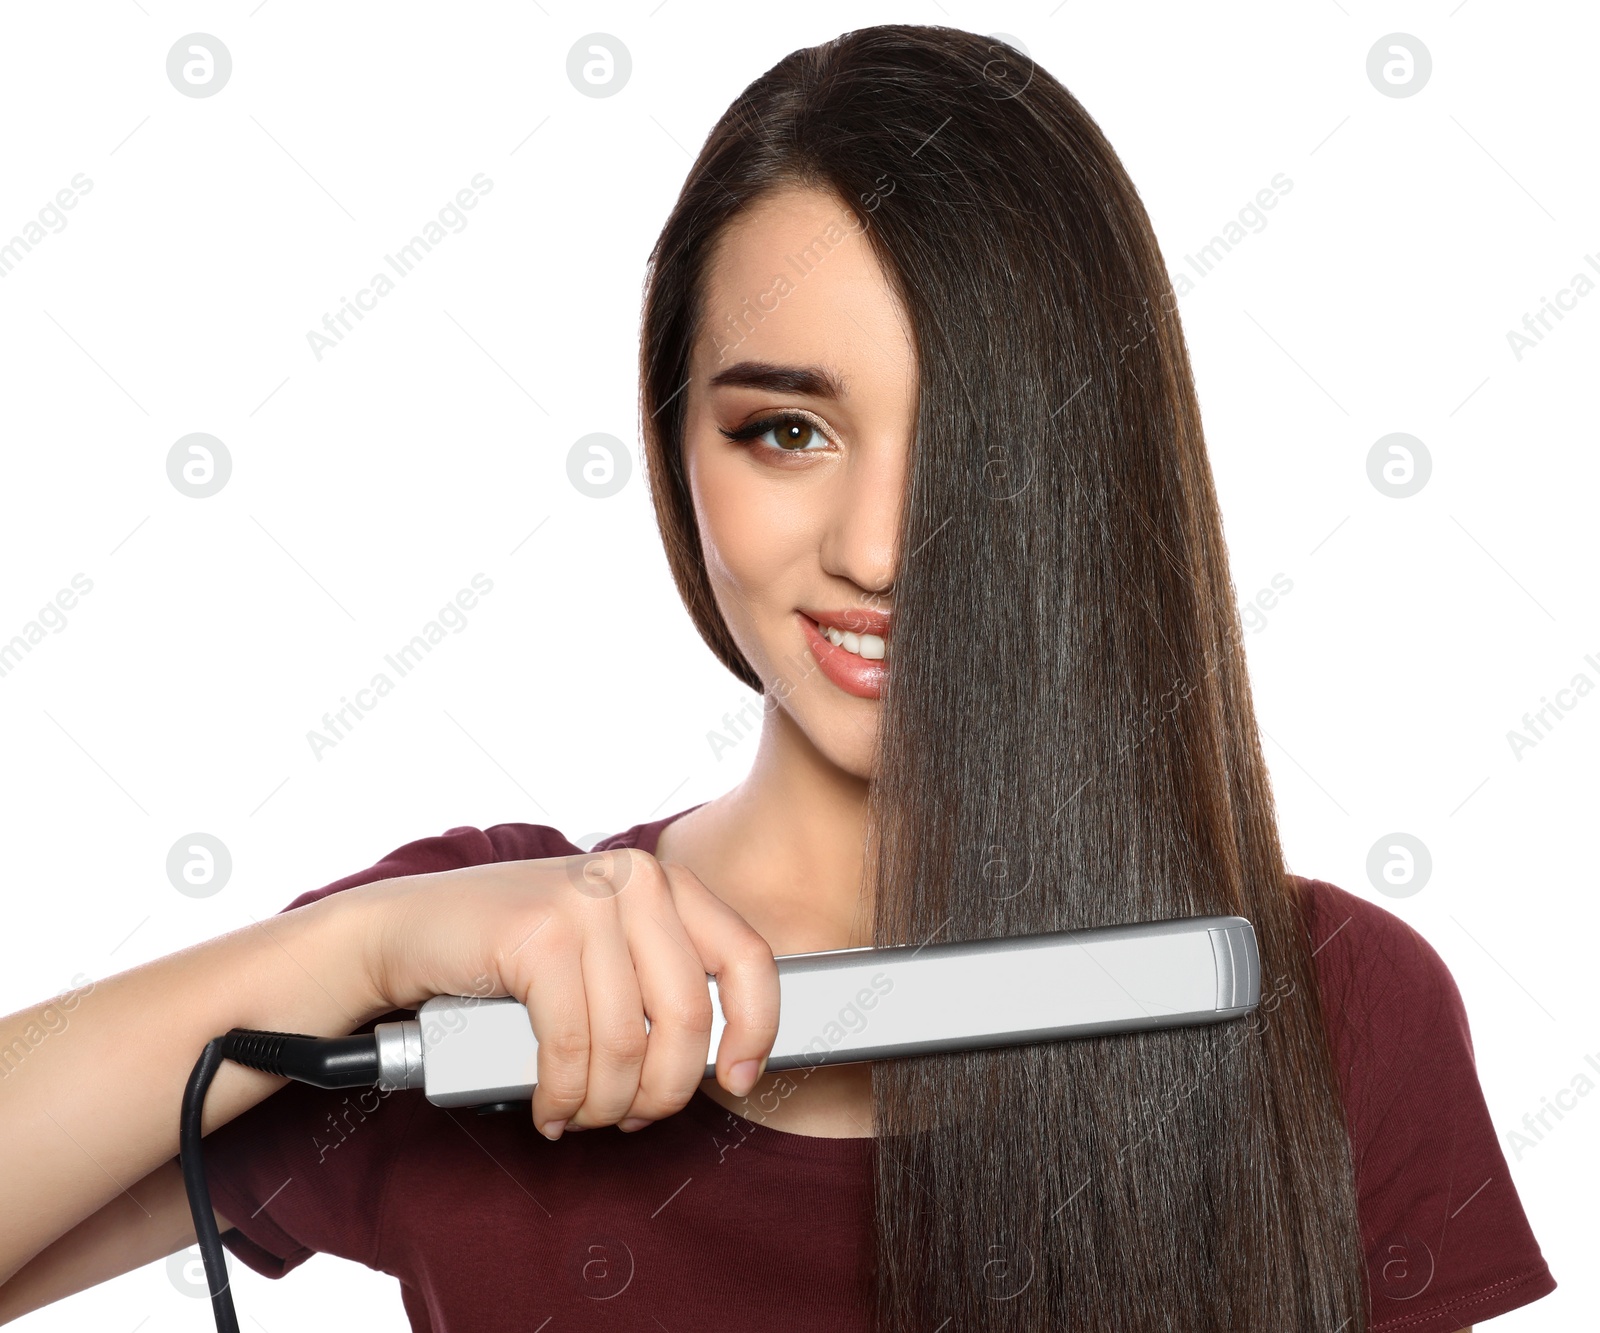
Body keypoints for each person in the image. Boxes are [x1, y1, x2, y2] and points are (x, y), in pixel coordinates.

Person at [0, 24, 1556, 1333]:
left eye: (971, 445)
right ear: (680, 450)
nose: (880, 547)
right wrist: (350, 949)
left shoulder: (1332, 1011)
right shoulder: (478, 975)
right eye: (784, 430)